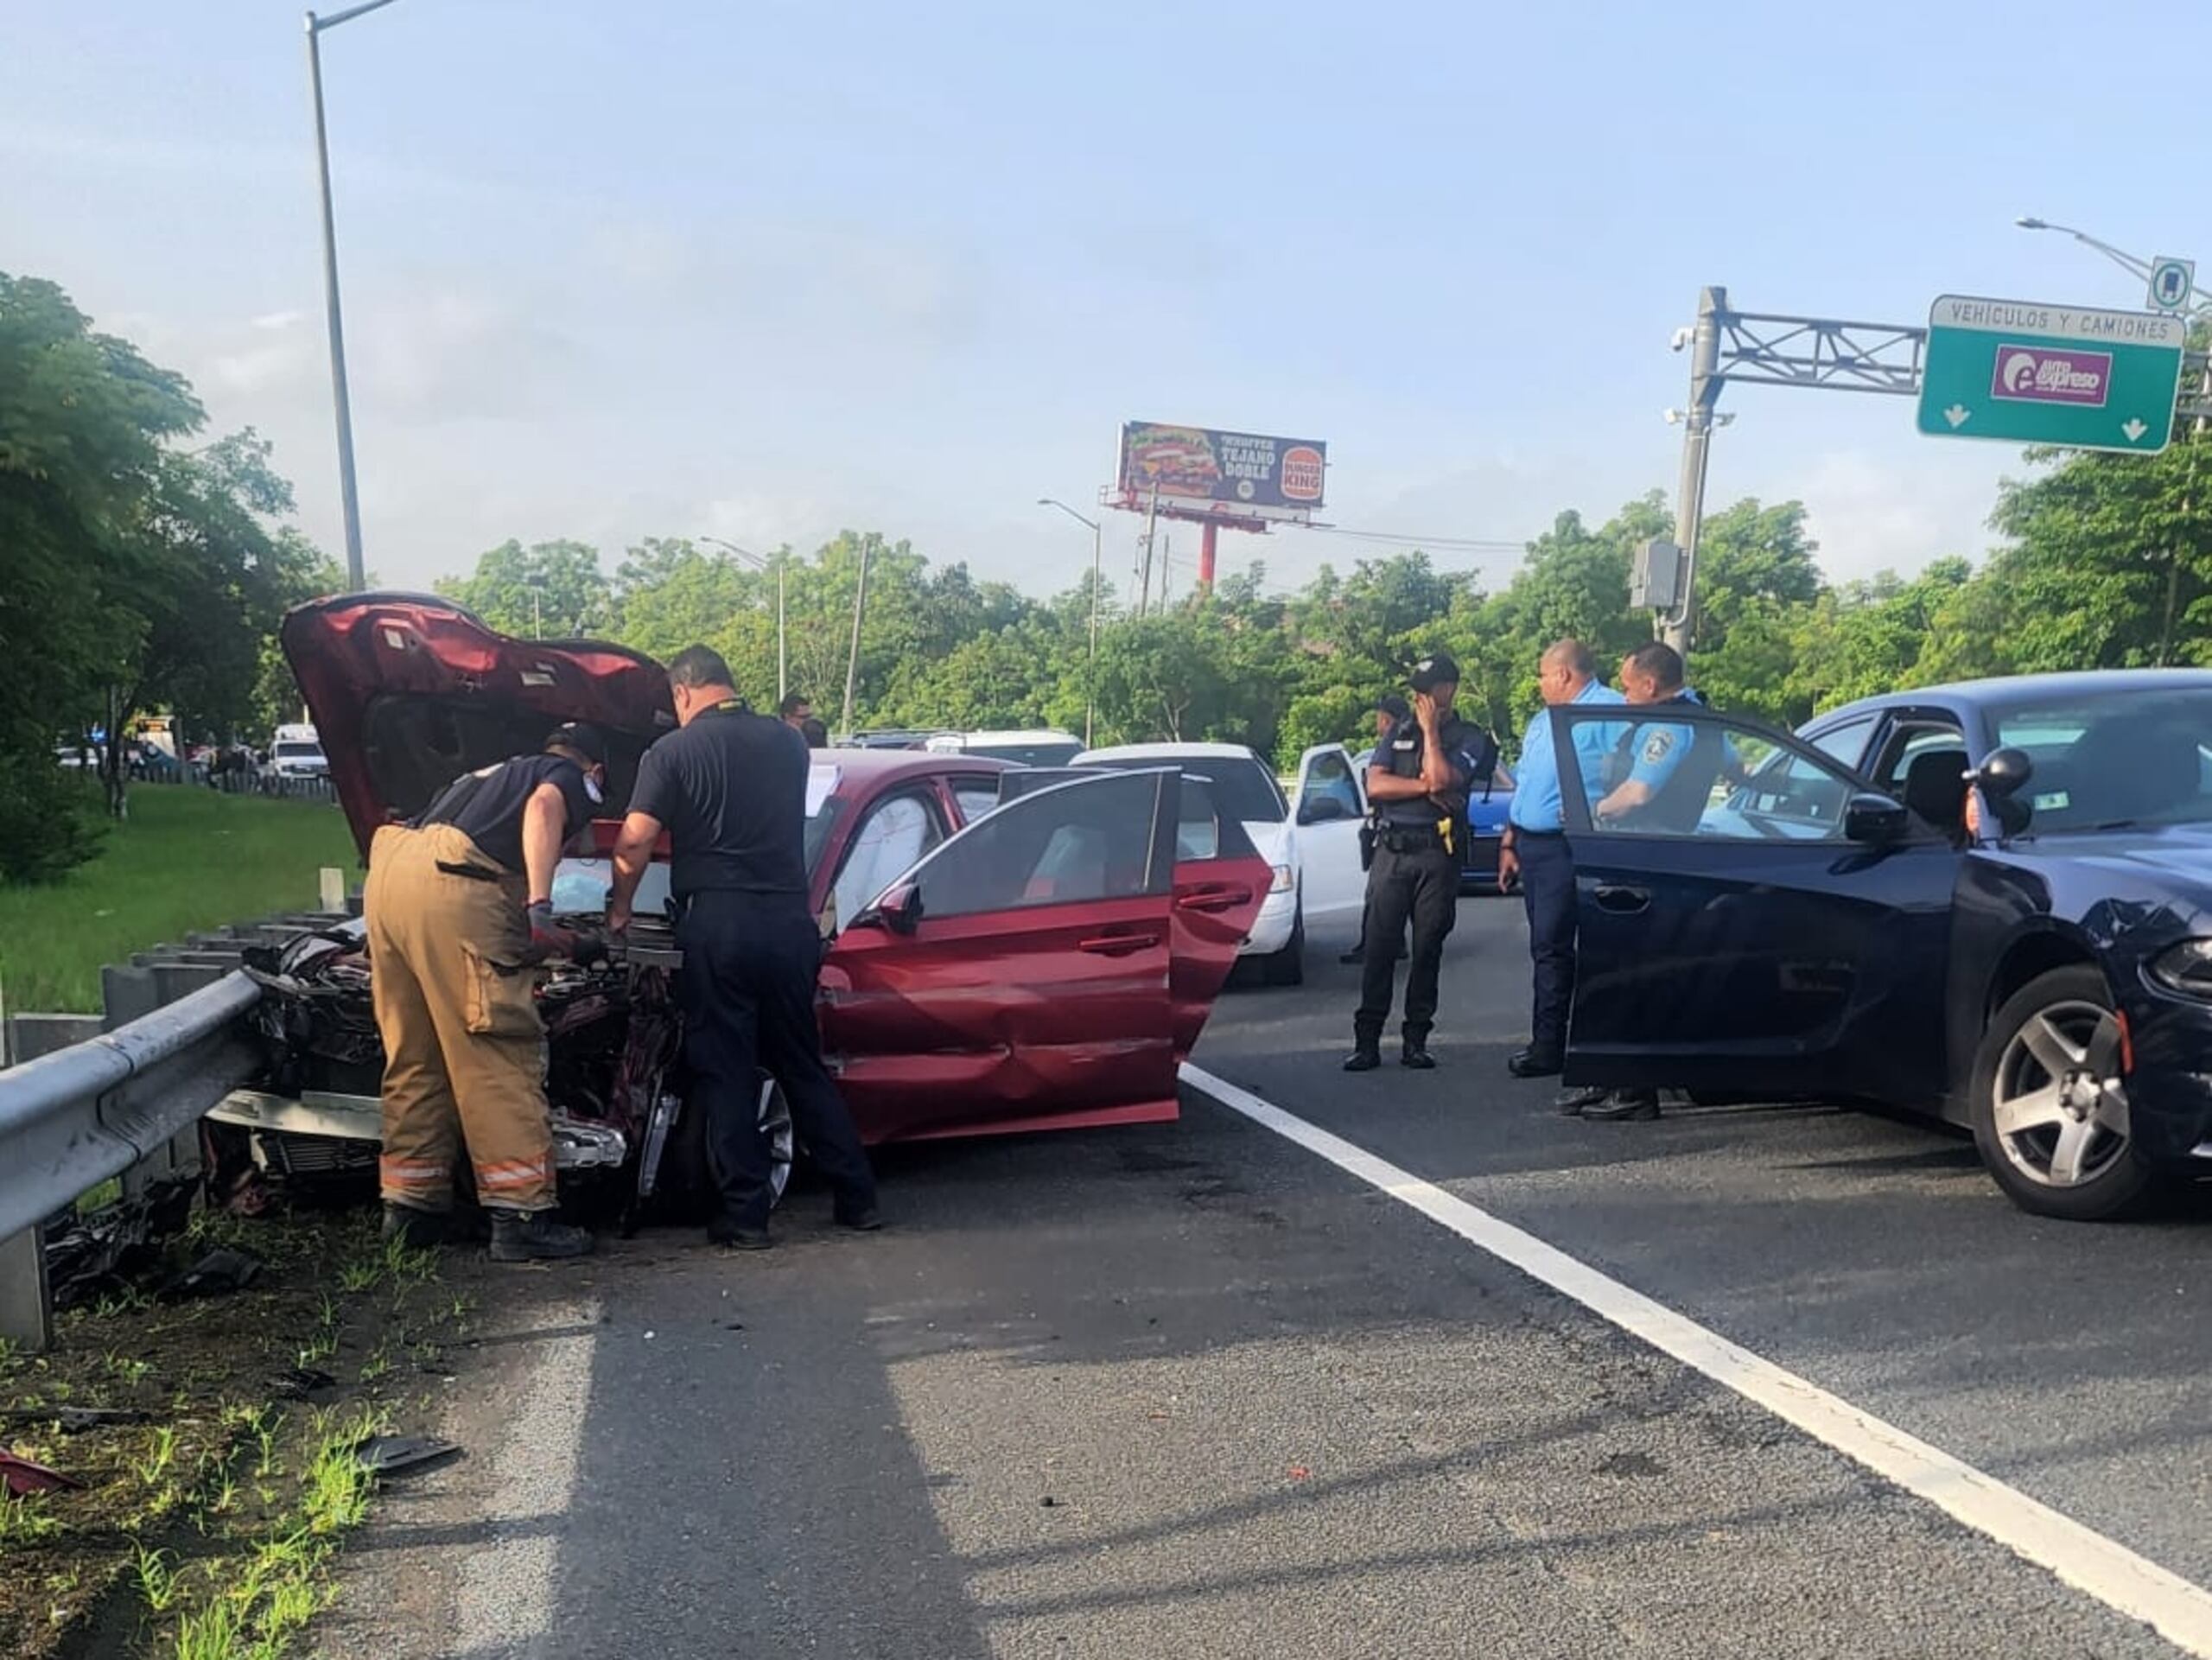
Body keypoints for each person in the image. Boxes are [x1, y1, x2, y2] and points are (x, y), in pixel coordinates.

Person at [607, 646, 880, 1250]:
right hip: (788, 921)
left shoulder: (670, 753)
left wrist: (620, 906)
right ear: (727, 683)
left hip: (720, 925)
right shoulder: (789, 743)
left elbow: (635, 843)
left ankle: (745, 1214)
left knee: (727, 1066)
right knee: (798, 1060)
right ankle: (857, 1196)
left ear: (682, 693)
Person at [365, 724, 608, 1262]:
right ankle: (522, 1215)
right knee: (494, 1052)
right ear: (596, 771)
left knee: (416, 1053)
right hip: (457, 883)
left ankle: (411, 1210)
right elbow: (546, 809)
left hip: (392, 879)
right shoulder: (563, 775)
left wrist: (567, 941)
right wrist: (541, 909)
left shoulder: (485, 777)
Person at [1564, 641, 1726, 1122]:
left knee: (1634, 972)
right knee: (1613, 967)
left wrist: (1590, 813)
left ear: (1651, 685)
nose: (1626, 696)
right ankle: (1608, 1074)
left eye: (1630, 687)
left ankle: (1634, 1088)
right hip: (1656, 856)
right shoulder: (1702, 718)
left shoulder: (1669, 727)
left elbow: (1638, 793)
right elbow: (1737, 767)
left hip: (1649, 857)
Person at [1344, 654, 1497, 1072]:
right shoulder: (1396, 731)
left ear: (1448, 690)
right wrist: (1423, 785)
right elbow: (1375, 784)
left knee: (1428, 947)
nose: (1420, 697)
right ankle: (1367, 1041)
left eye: (1429, 689)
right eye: (1417, 689)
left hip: (1436, 851)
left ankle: (1415, 1040)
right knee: (1379, 947)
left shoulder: (1468, 737)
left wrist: (1431, 736)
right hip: (1391, 851)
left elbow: (1448, 780)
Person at [1497, 639, 1625, 1080]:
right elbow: (1528, 781)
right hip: (1532, 844)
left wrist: (1606, 807)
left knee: (1555, 946)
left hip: (1569, 846)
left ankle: (1551, 1045)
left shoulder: (1608, 710)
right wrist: (1509, 841)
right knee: (1544, 947)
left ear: (1564, 675)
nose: (1539, 685)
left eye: (1542, 676)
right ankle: (1554, 1039)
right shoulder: (1542, 719)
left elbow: (1631, 772)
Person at [1339, 694, 1412, 967]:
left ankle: (1376, 945)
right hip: (1392, 827)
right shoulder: (1406, 747)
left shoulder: (1391, 747)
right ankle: (1392, 942)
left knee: (1378, 893)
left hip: (1390, 829)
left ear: (1386, 718)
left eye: (1379, 717)